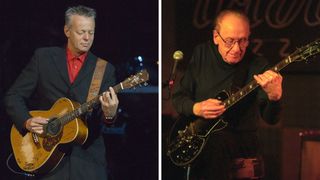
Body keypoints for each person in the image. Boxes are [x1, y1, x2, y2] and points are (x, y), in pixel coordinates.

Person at [4, 5, 118, 180]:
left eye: (91, 32)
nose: (87, 38)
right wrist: (26, 121)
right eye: (81, 32)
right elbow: (13, 96)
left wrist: (110, 114)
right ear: (67, 30)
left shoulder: (104, 69)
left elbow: (103, 118)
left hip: (88, 164)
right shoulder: (43, 58)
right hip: (45, 157)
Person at [171, 9, 282, 179]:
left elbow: (270, 119)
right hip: (200, 133)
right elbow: (179, 98)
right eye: (230, 41)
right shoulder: (202, 54)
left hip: (240, 138)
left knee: (214, 143)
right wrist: (196, 108)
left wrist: (274, 98)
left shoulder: (258, 65)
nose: (237, 49)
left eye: (243, 41)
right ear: (216, 37)